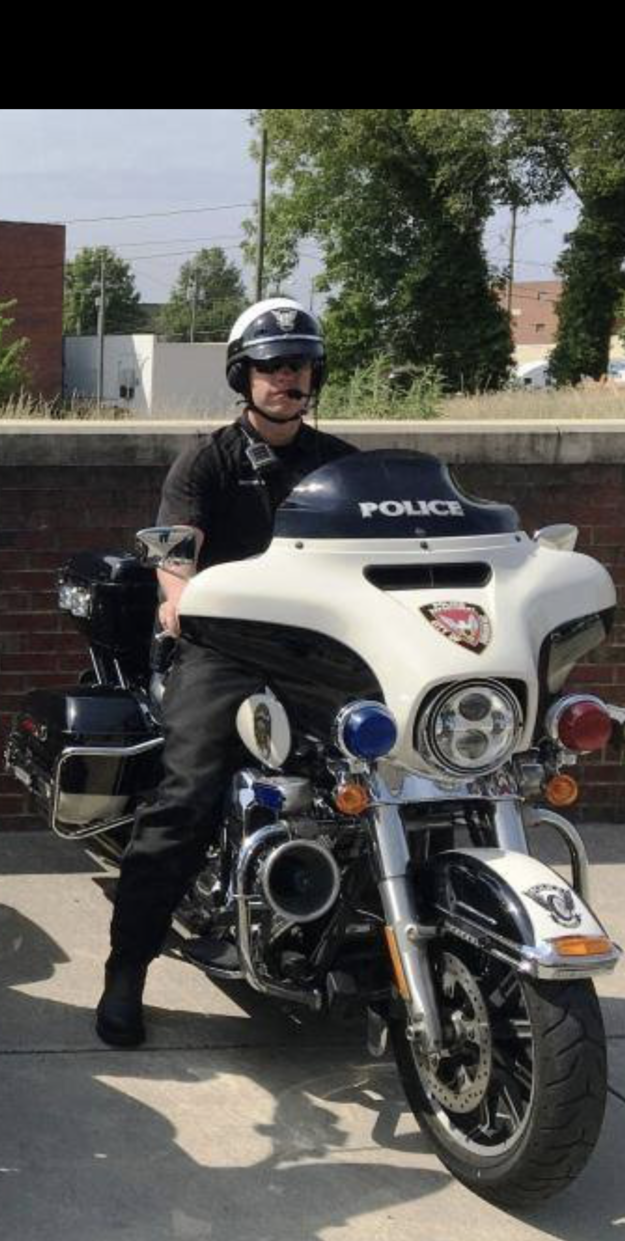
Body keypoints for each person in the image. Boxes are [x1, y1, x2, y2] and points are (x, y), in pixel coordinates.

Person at [96, 298, 355, 1047]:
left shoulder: (342, 464)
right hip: (223, 647)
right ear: (244, 376)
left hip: (321, 649)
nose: (287, 378)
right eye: (272, 366)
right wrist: (179, 597)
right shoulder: (207, 460)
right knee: (186, 796)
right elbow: (175, 556)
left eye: (299, 364)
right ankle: (127, 969)